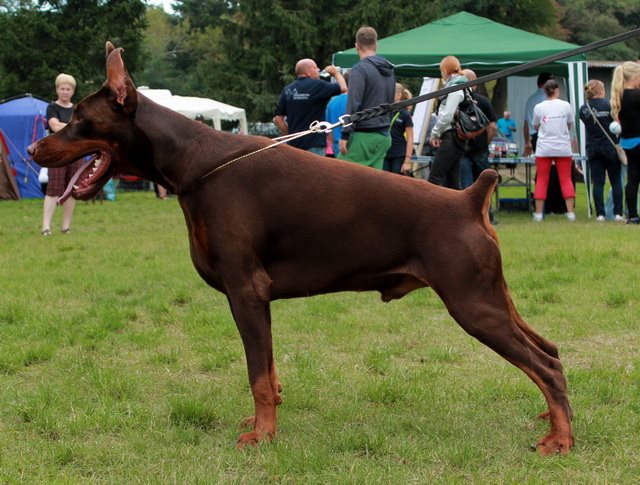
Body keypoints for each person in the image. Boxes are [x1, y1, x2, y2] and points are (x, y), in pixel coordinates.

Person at [338, 26, 395, 169]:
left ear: (356, 46)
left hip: (363, 136)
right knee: (371, 187)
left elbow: (353, 103)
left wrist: (345, 134)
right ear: (376, 45)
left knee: (337, 177)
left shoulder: (359, 69)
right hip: (383, 137)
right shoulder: (389, 70)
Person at [274, 58, 347, 156]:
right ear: (308, 72)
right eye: (315, 68)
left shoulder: (288, 90)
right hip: (315, 143)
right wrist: (336, 73)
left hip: (294, 145)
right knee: (315, 171)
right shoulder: (318, 86)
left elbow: (278, 119)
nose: (319, 69)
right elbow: (343, 88)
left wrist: (290, 135)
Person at [41, 73, 83, 236]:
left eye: (68, 89)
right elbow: (54, 126)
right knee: (53, 189)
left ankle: (66, 227)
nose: (65, 92)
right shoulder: (52, 107)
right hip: (56, 153)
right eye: (62, 88)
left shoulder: (77, 109)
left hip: (75, 153)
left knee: (71, 190)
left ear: (73, 91)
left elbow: (80, 129)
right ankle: (46, 227)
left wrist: (66, 126)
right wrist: (73, 126)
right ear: (57, 90)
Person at [531, 79, 578, 222]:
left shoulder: (539, 107)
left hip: (544, 148)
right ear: (557, 90)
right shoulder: (565, 105)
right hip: (563, 147)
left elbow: (536, 125)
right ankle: (570, 213)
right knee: (566, 179)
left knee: (541, 180)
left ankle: (538, 214)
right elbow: (569, 124)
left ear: (545, 91)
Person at [578, 79, 624, 222]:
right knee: (616, 181)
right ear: (601, 90)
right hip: (609, 147)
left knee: (598, 182)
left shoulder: (583, 108)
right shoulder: (609, 105)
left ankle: (600, 215)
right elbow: (617, 123)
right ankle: (617, 213)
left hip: (592, 148)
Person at [459, 70, 498, 223]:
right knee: (485, 185)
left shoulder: (458, 102)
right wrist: (485, 143)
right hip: (480, 150)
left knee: (467, 185)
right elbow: (493, 126)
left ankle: (469, 218)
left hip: (462, 148)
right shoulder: (483, 101)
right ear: (475, 82)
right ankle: (488, 216)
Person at [428, 55, 468, 188]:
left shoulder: (455, 87)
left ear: (445, 70)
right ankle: (457, 209)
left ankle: (429, 209)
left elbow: (447, 115)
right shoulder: (461, 84)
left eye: (441, 71)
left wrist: (435, 132)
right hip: (455, 138)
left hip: (451, 137)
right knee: (452, 183)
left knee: (434, 179)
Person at [611, 61, 640, 224]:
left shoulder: (619, 96)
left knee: (633, 179)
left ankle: (633, 216)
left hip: (627, 143)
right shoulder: (636, 95)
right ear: (635, 77)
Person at [383, 83, 414, 174]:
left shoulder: (405, 114)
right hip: (385, 152)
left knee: (396, 181)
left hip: (398, 154)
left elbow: (410, 138)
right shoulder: (385, 111)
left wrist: (407, 160)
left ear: (399, 95)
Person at [523, 72, 554, 157]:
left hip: (534, 136)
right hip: (547, 135)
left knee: (542, 164)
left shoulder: (530, 100)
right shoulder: (549, 99)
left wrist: (527, 142)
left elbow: (526, 123)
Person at [325, 71, 349, 158]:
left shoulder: (332, 102)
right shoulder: (355, 101)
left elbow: (328, 128)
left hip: (336, 145)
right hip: (350, 143)